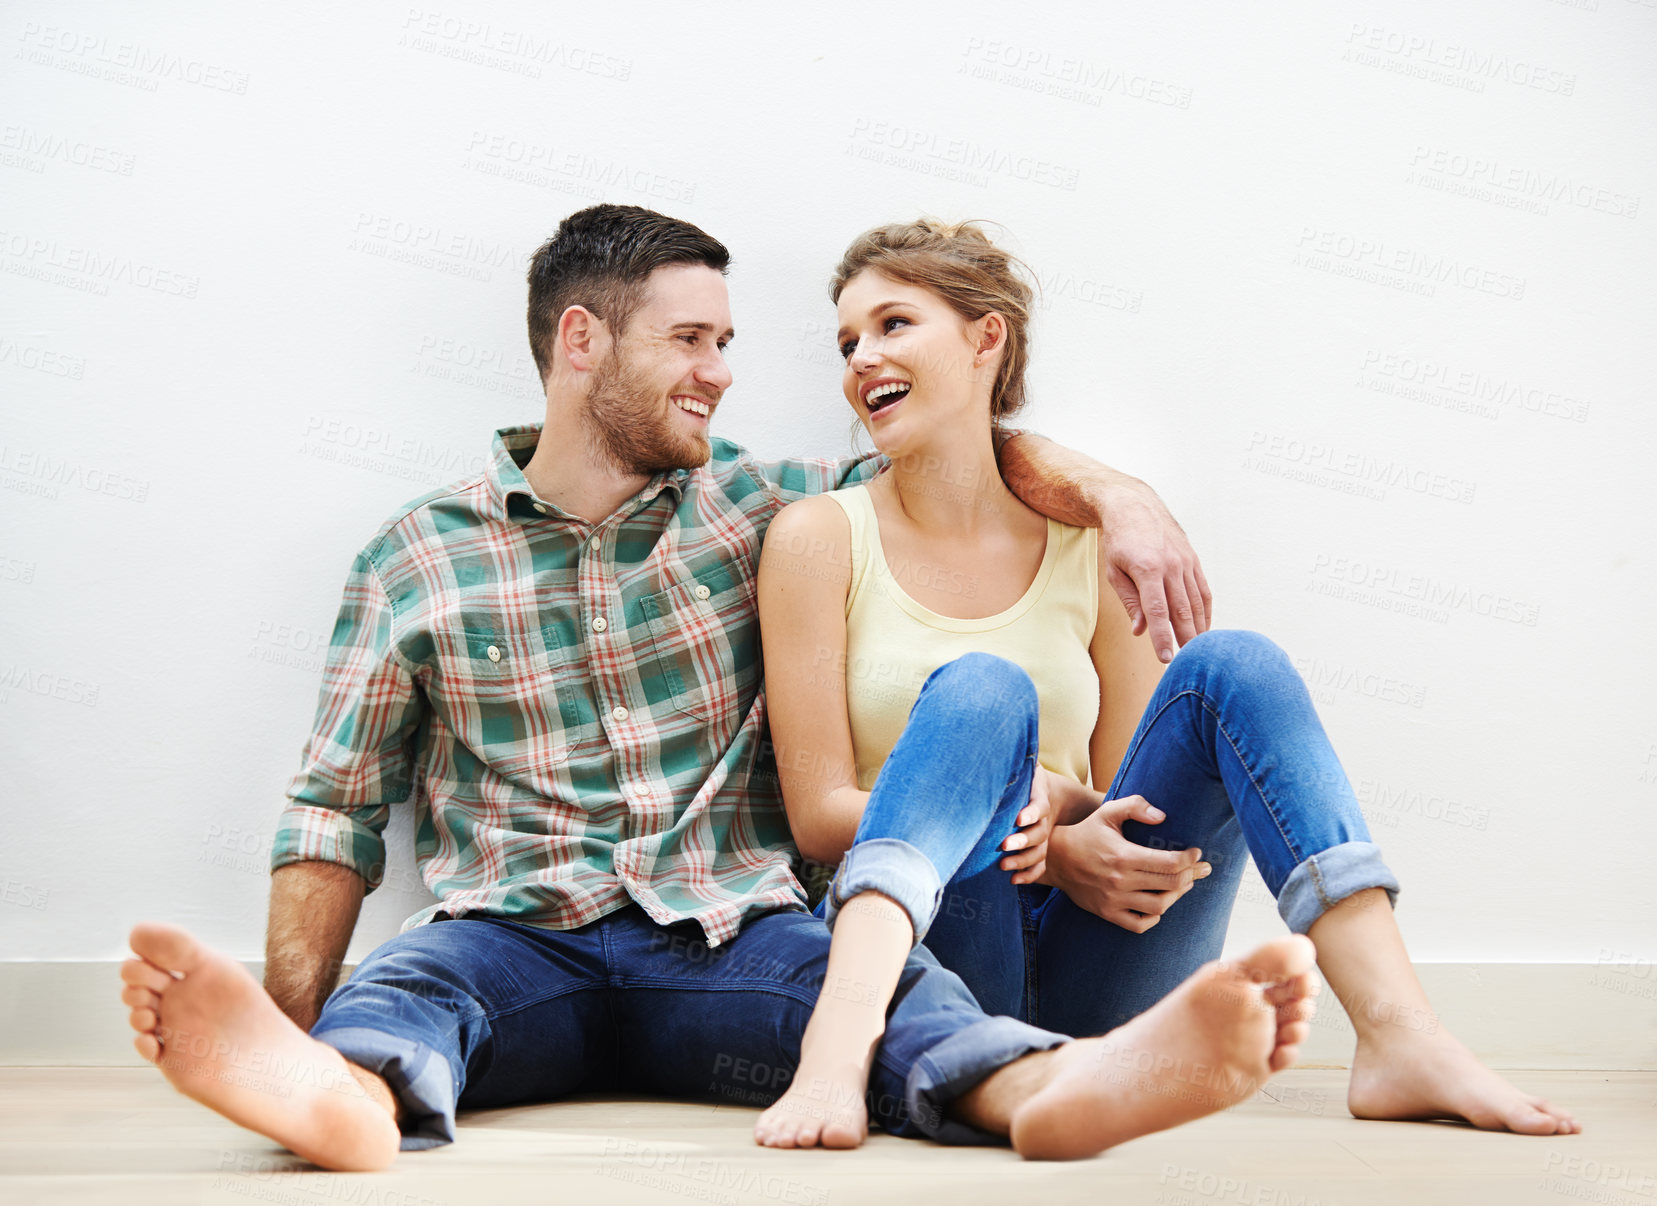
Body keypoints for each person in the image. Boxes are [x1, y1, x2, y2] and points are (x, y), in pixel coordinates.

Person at [115, 204, 1319, 1171]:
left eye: (726, 344)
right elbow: (334, 811)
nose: (721, 375)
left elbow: (970, 446)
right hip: (511, 933)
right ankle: (333, 1096)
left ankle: (1051, 1088)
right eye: (690, 341)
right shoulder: (415, 557)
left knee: (897, 992)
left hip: (730, 933)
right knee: (409, 994)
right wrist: (285, 1010)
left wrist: (1122, 495)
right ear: (580, 341)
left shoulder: (769, 508)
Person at [753, 218, 1580, 1149]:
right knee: (983, 687)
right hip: (939, 940)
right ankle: (869, 1044)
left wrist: (1070, 812)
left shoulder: (1092, 548)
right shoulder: (819, 538)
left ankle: (1401, 1038)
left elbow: (1125, 801)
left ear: (988, 339)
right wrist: (1038, 837)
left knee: (1236, 665)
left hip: (1100, 957)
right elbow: (819, 812)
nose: (862, 358)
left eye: (893, 324)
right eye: (846, 342)